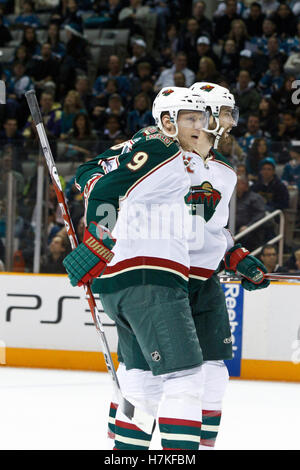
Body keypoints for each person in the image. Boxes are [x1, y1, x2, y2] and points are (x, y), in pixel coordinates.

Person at [102, 83, 271, 450]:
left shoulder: (224, 172)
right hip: (159, 279)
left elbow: (206, 228)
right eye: (225, 113)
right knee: (144, 374)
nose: (230, 122)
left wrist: (234, 253)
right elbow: (117, 187)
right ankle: (126, 443)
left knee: (211, 376)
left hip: (201, 281)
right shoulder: (164, 152)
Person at [63, 86, 210, 451]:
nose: (201, 126)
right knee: (184, 378)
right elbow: (107, 191)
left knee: (141, 380)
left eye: (202, 119)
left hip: (123, 283)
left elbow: (87, 174)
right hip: (152, 280)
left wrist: (102, 231)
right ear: (166, 122)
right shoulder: (163, 147)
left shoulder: (137, 148)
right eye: (191, 119)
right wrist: (97, 240)